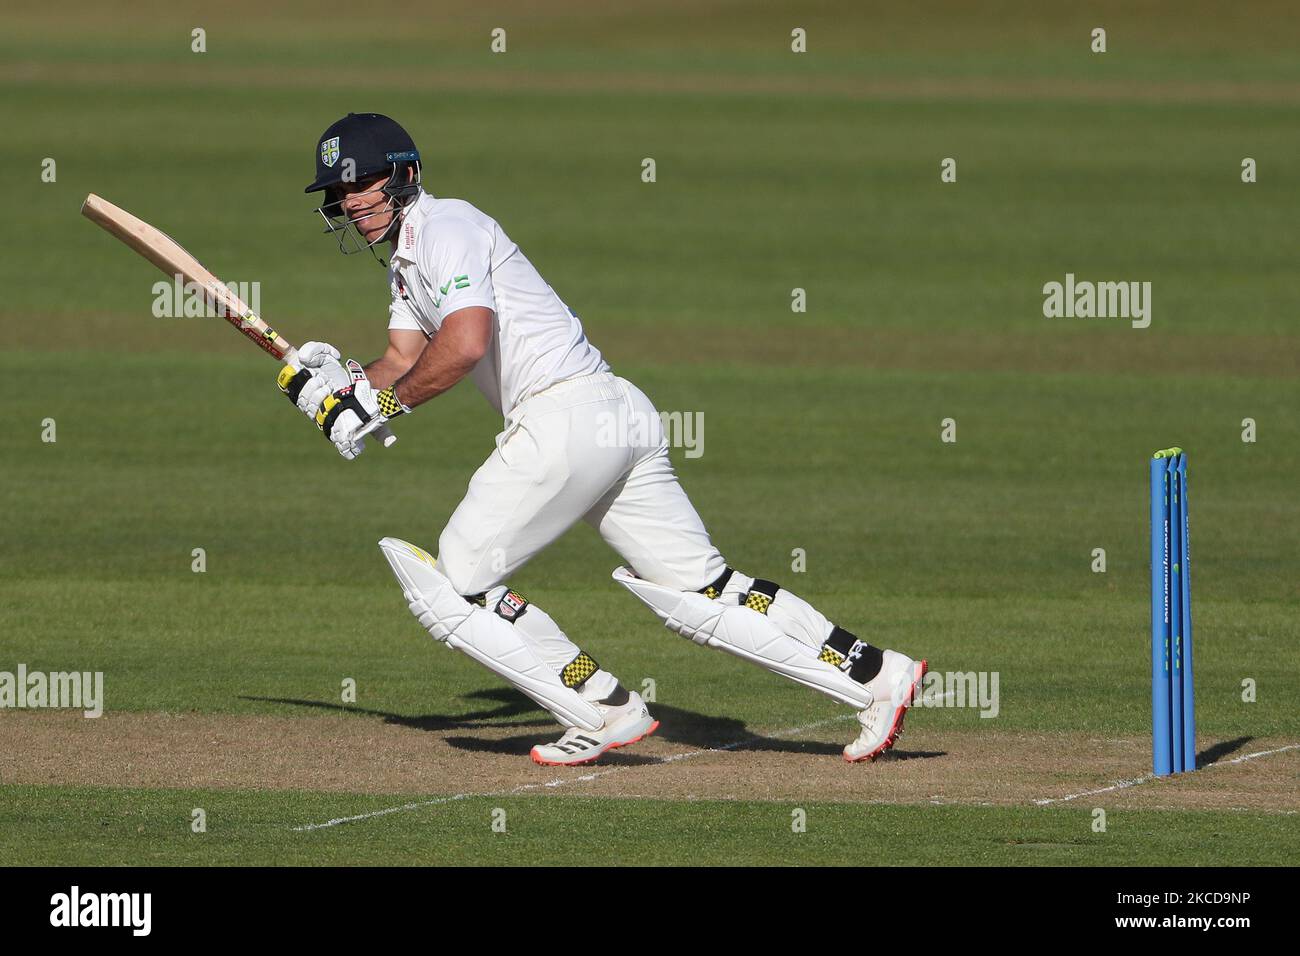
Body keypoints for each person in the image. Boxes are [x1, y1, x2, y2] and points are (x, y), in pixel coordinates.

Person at [281, 112, 927, 766]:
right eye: (339, 192)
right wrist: (338, 391)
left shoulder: (446, 227)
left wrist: (382, 405)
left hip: (564, 420)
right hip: (614, 412)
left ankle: (601, 707)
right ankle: (878, 675)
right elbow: (401, 356)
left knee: (456, 584)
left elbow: (465, 344)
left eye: (362, 182)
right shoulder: (405, 261)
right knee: (700, 593)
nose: (350, 202)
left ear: (406, 174)